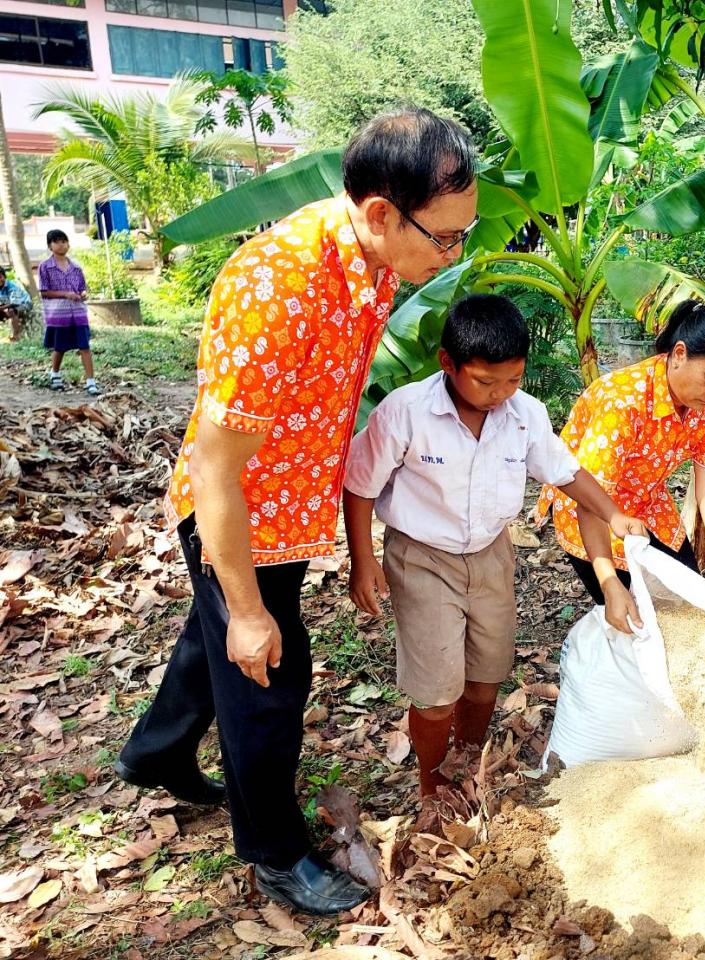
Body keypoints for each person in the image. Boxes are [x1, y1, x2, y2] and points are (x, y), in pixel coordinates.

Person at [112, 108, 479, 916]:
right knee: (267, 672)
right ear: (382, 212)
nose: (453, 255)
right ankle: (275, 853)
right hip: (239, 511)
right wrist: (244, 608)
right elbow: (216, 469)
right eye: (445, 239)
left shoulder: (376, 262)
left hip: (290, 501)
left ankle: (156, 751)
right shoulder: (277, 282)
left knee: (212, 647)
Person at [342, 294, 644, 798]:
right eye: (485, 381)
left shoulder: (525, 414)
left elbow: (566, 471)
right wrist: (363, 560)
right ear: (448, 363)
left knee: (486, 676)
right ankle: (431, 787)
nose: (500, 393)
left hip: (490, 554)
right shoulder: (406, 412)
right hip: (421, 557)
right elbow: (361, 485)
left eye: (513, 380)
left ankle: (466, 757)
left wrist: (614, 513)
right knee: (437, 692)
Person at [537, 299, 705, 630]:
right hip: (587, 507)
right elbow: (588, 498)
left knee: (686, 601)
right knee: (635, 614)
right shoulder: (623, 402)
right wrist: (609, 581)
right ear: (679, 354)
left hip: (647, 504)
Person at [38, 229, 98, 396]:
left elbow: (82, 288)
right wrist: (65, 293)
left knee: (84, 346)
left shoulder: (76, 267)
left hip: (78, 313)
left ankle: (90, 381)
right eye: (57, 241)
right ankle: (55, 373)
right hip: (58, 314)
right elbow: (44, 291)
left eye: (64, 241)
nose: (62, 244)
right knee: (60, 347)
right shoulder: (45, 267)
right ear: (50, 245)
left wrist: (83, 294)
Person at [0, 264, 32, 342]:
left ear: (4, 276)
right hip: (9, 306)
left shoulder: (11, 285)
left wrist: (2, 308)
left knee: (11, 310)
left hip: (25, 304)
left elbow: (15, 302)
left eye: (0, 277)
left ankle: (16, 336)